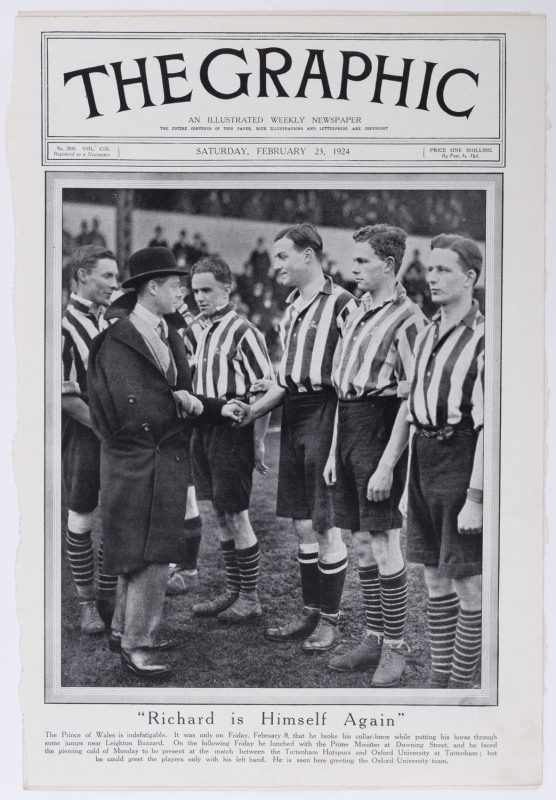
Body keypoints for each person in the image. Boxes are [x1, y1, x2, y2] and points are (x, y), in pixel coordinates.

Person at [87, 247, 241, 677]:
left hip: (159, 455)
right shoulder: (116, 340)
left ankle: (123, 630)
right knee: (149, 556)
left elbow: (177, 395)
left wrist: (212, 406)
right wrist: (188, 405)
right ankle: (137, 644)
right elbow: (128, 407)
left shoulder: (166, 331)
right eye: (176, 286)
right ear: (152, 287)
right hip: (136, 457)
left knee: (143, 551)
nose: (184, 294)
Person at [234, 223, 357, 652]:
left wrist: (339, 440)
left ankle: (331, 619)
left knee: (325, 524)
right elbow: (286, 380)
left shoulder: (343, 304)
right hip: (296, 412)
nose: (276, 265)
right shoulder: (289, 310)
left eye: (283, 256)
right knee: (301, 522)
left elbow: (347, 379)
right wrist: (251, 412)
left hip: (327, 410)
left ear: (308, 255)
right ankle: (310, 609)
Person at [323, 225, 427, 687]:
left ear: (389, 265)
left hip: (383, 427)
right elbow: (342, 390)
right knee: (360, 539)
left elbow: (411, 398)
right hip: (348, 425)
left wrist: (387, 463)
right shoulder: (356, 310)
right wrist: (332, 450)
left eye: (362, 261)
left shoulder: (409, 319)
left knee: (385, 540)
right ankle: (372, 636)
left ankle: (396, 648)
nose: (353, 268)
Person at [405, 234, 485, 689]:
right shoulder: (428, 329)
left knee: (466, 579)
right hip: (423, 456)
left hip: (460, 458)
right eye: (429, 269)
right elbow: (412, 405)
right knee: (433, 575)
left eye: (443, 270)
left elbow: (488, 426)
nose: (431, 277)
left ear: (470, 277)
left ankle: (461, 683)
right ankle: (439, 679)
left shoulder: (485, 337)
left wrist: (475, 498)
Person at [189, 256, 274, 624]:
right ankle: (233, 590)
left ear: (227, 288)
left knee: (237, 514)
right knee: (220, 513)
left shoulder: (245, 332)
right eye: (195, 291)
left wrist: (257, 441)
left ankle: (251, 597)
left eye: (207, 290)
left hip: (233, 431)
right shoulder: (197, 329)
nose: (200, 297)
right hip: (203, 428)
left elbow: (266, 392)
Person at [62, 245, 120, 634]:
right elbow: (65, 396)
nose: (114, 285)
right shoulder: (64, 327)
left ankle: (107, 597)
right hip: (85, 436)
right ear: (83, 276)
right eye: (107, 277)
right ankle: (86, 601)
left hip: (112, 436)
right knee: (82, 515)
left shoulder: (106, 322)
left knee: (116, 517)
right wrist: (104, 431)